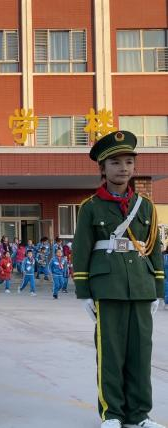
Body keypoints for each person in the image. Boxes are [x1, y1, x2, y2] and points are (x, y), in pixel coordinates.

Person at [73, 130, 165, 428]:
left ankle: (139, 415)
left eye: (128, 162)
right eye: (115, 163)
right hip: (107, 286)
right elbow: (81, 250)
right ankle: (112, 413)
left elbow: (154, 248)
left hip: (140, 285)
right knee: (110, 354)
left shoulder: (146, 206)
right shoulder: (90, 207)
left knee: (141, 354)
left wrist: (158, 289)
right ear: (102, 168)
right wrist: (84, 292)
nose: (123, 168)